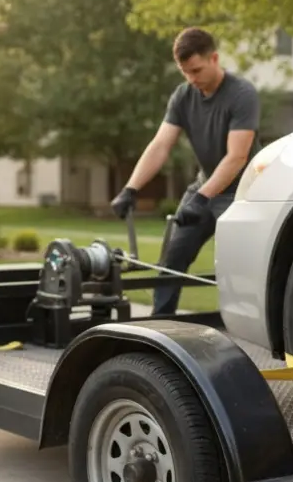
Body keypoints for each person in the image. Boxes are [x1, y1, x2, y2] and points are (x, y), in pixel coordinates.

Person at [110, 26, 262, 316]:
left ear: (214, 58)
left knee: (241, 267)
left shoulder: (242, 95)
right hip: (205, 186)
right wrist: (131, 188)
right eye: (185, 72)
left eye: (196, 70)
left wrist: (202, 199)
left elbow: (236, 156)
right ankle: (160, 326)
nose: (192, 79)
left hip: (243, 193)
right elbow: (160, 145)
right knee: (173, 258)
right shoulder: (183, 96)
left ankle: (250, 331)